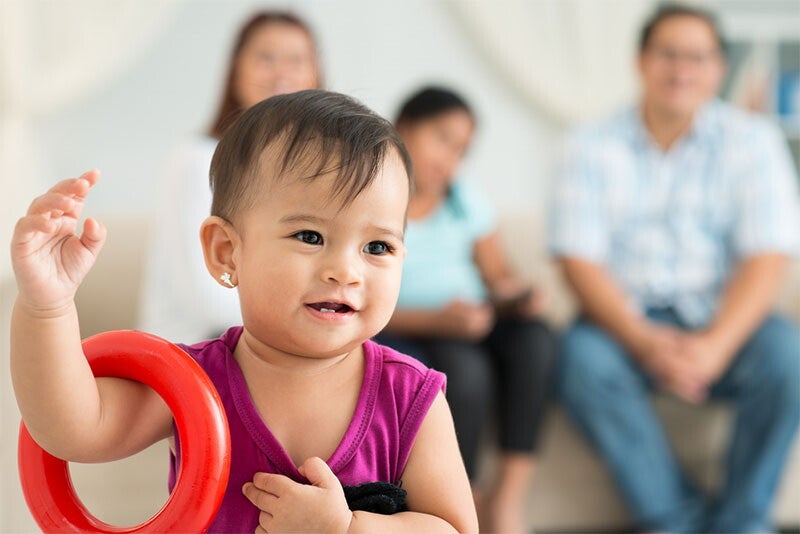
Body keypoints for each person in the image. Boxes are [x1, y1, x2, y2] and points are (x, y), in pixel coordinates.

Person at [10, 90, 478, 533]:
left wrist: (348, 527)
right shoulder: (192, 380)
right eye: (310, 236)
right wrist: (45, 307)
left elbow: (455, 527)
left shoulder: (411, 395)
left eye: (377, 246)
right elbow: (72, 429)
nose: (345, 271)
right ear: (226, 251)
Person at [551, 4, 800, 533]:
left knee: (789, 354)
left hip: (721, 321)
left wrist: (717, 345)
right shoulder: (587, 146)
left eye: (698, 57)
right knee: (578, 359)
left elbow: (766, 256)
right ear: (641, 61)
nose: (681, 70)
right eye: (668, 54)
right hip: (624, 327)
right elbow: (578, 260)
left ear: (718, 69)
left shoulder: (754, 141)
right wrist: (643, 342)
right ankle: (674, 518)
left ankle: (743, 520)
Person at [376, 87, 555, 534]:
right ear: (402, 127)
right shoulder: (372, 197)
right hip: (410, 325)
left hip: (466, 317)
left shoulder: (464, 200)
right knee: (464, 371)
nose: (450, 158)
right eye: (442, 138)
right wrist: (439, 321)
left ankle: (507, 502)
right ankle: (465, 501)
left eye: (462, 150)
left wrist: (517, 295)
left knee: (537, 340)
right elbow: (366, 305)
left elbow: (497, 275)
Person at [139, 11, 322, 343]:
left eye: (296, 60)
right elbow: (207, 299)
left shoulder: (318, 171)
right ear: (236, 69)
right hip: (195, 352)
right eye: (266, 58)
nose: (282, 72)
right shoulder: (197, 159)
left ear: (316, 74)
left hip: (277, 347)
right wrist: (312, 319)